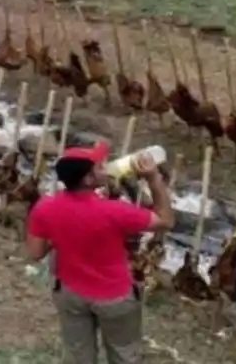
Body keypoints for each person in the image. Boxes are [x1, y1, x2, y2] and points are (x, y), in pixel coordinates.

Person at [25, 143, 174, 364]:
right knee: (124, 354)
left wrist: (60, 233)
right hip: (115, 296)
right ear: (87, 179)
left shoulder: (45, 207)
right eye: (100, 167)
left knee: (77, 354)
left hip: (71, 293)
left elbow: (36, 253)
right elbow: (166, 220)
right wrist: (153, 178)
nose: (107, 169)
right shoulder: (115, 210)